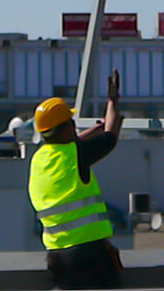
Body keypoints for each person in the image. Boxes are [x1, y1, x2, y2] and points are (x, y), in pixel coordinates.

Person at [28, 71, 124, 289]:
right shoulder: (77, 154)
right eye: (71, 122)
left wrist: (95, 129)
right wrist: (113, 101)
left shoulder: (40, 158)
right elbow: (111, 135)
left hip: (57, 257)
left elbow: (74, 143)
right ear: (66, 128)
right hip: (89, 257)